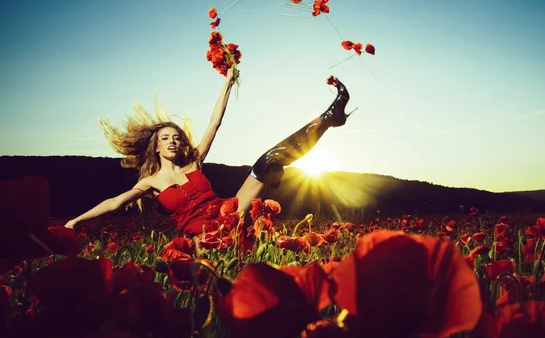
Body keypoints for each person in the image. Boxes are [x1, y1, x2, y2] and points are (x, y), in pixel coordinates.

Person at [65, 68, 353, 236]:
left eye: (176, 137)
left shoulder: (194, 162)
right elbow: (114, 202)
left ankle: (331, 116)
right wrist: (77, 220)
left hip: (229, 210)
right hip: (200, 236)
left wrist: (227, 83)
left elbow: (214, 123)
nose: (172, 141)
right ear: (155, 146)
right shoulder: (150, 182)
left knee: (270, 160)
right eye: (165, 138)